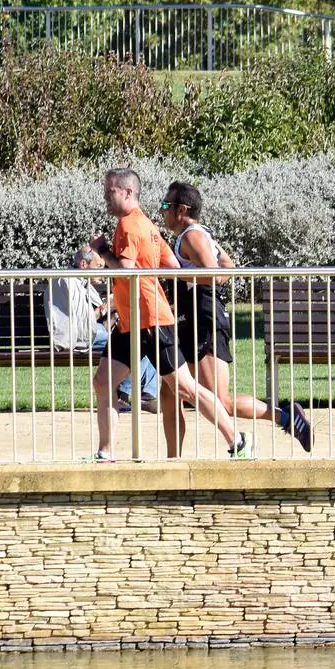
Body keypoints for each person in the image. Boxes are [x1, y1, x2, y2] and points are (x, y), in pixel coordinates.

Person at [89, 169, 248, 462]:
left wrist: (102, 251)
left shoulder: (128, 225)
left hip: (150, 320)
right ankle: (106, 452)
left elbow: (124, 269)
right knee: (102, 381)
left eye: (109, 192)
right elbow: (174, 266)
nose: (105, 197)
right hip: (130, 321)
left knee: (186, 387)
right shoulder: (149, 226)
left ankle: (238, 440)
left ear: (127, 193)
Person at [161, 182, 313, 451]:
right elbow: (227, 265)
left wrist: (173, 273)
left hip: (202, 319)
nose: (162, 212)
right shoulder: (199, 234)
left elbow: (214, 273)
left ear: (181, 209)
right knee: (170, 393)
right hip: (190, 319)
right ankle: (174, 460)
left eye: (165, 206)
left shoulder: (192, 236)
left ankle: (286, 417)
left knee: (219, 401)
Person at [44, 246, 160, 413]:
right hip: (75, 337)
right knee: (132, 341)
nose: (102, 270)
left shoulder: (82, 282)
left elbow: (93, 318)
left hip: (95, 332)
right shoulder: (68, 281)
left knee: (145, 338)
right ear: (84, 264)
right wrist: (106, 307)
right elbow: (82, 324)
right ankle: (126, 394)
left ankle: (147, 394)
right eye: (98, 266)